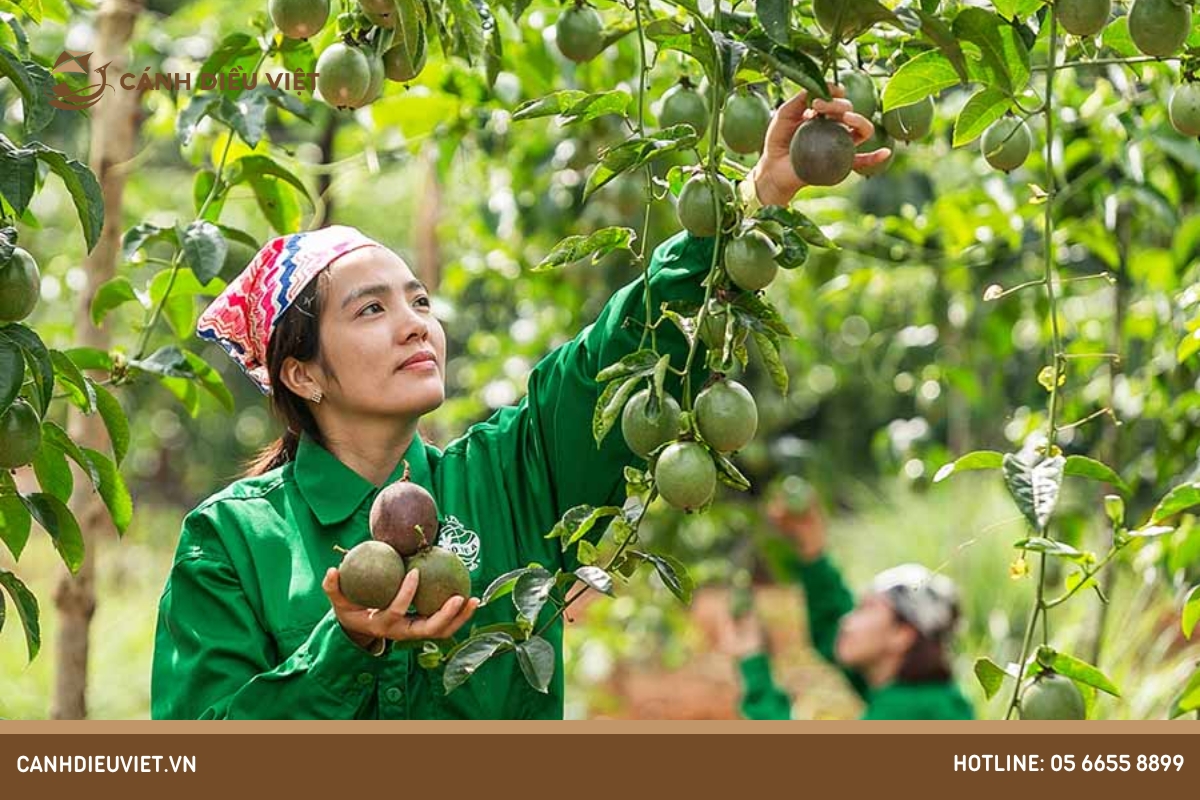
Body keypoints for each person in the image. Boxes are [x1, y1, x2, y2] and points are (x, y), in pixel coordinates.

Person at [150, 90, 890, 720]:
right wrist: (345, 649)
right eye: (370, 310)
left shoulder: (507, 478)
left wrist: (758, 197)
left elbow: (615, 351)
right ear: (302, 376)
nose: (416, 322)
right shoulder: (232, 540)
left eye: (419, 300)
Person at [721, 493, 974, 720]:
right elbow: (834, 630)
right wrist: (812, 551)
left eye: (866, 608)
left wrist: (754, 667)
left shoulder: (904, 712)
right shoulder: (924, 699)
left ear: (903, 634)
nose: (846, 621)